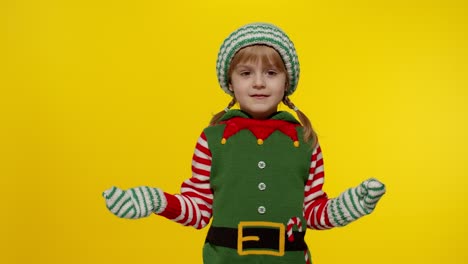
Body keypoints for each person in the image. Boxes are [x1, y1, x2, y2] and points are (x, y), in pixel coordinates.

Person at [102, 22, 386, 264]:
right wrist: (157, 201)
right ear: (230, 81)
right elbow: (200, 210)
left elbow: (311, 212)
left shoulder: (305, 141)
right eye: (246, 73)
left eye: (271, 73)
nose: (259, 83)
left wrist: (353, 205)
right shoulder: (211, 139)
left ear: (286, 82)